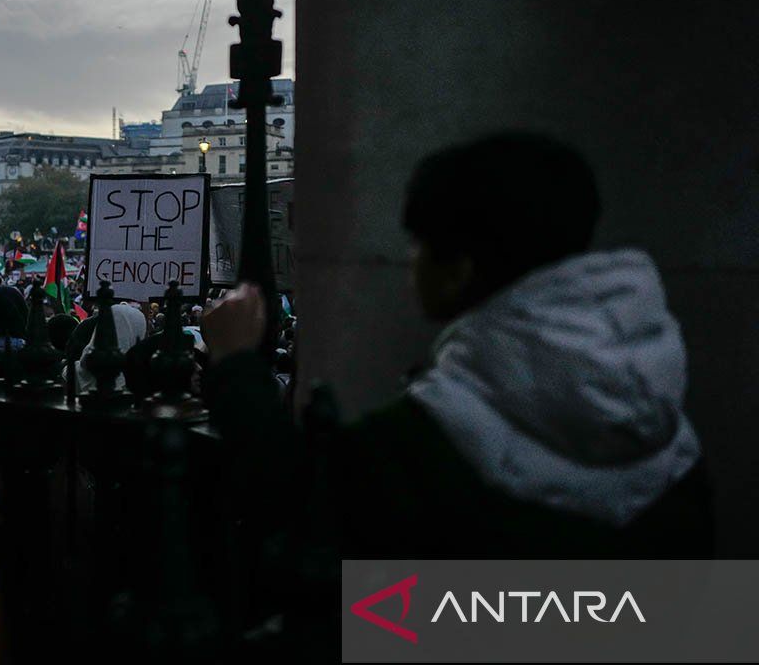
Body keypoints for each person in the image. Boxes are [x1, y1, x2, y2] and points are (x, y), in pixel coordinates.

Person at [202, 131, 713, 557]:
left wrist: (238, 365)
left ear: (459, 271)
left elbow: (298, 499)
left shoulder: (435, 434)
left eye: (419, 245)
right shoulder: (659, 398)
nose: (408, 263)